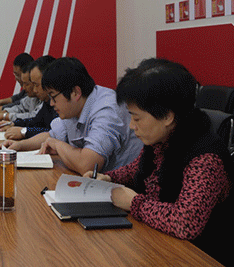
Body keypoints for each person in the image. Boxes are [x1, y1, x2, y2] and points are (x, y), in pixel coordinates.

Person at [83, 59, 233, 265]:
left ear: (167, 117)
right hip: (156, 242)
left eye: (137, 118)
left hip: (197, 256)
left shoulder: (205, 159)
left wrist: (134, 203)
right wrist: (108, 178)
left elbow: (185, 223)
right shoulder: (164, 138)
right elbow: (136, 169)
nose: (132, 126)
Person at [0, 57, 142, 175]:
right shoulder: (76, 107)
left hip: (127, 191)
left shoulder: (107, 109)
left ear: (75, 92)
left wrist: (58, 145)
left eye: (53, 97)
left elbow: (87, 165)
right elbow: (51, 135)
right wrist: (18, 146)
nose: (51, 103)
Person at [0, 55, 58, 140]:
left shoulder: (59, 102)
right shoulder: (47, 101)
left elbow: (54, 133)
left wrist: (23, 131)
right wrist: (14, 124)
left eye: (36, 85)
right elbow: (37, 121)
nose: (34, 90)